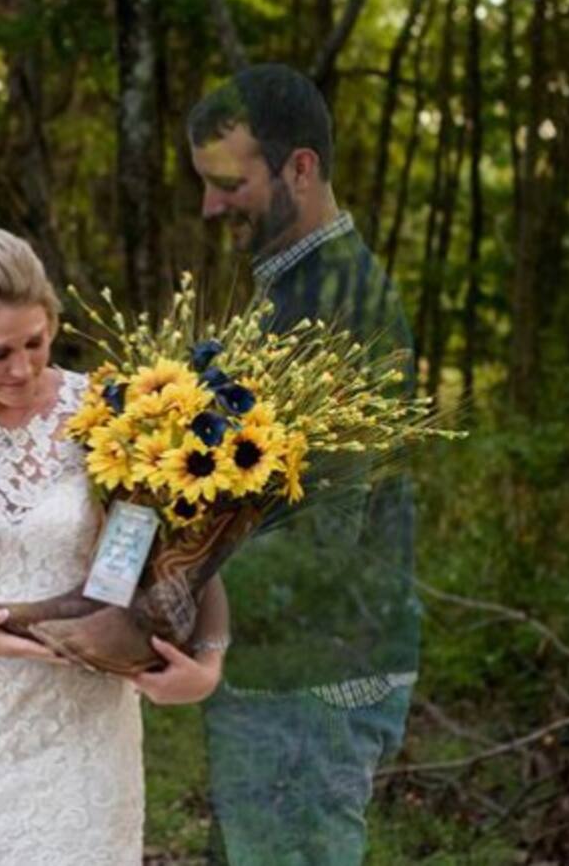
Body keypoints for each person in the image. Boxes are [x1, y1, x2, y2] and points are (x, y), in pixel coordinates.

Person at [0, 227, 228, 864]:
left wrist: (209, 664)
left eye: (37, 341)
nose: (23, 368)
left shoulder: (112, 416)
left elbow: (193, 553)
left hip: (86, 743)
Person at [185, 63, 421, 864]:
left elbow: (328, 534)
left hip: (320, 671)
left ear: (301, 168)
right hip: (268, 659)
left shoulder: (346, 305)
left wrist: (170, 593)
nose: (210, 205)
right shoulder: (286, 292)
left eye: (226, 182)